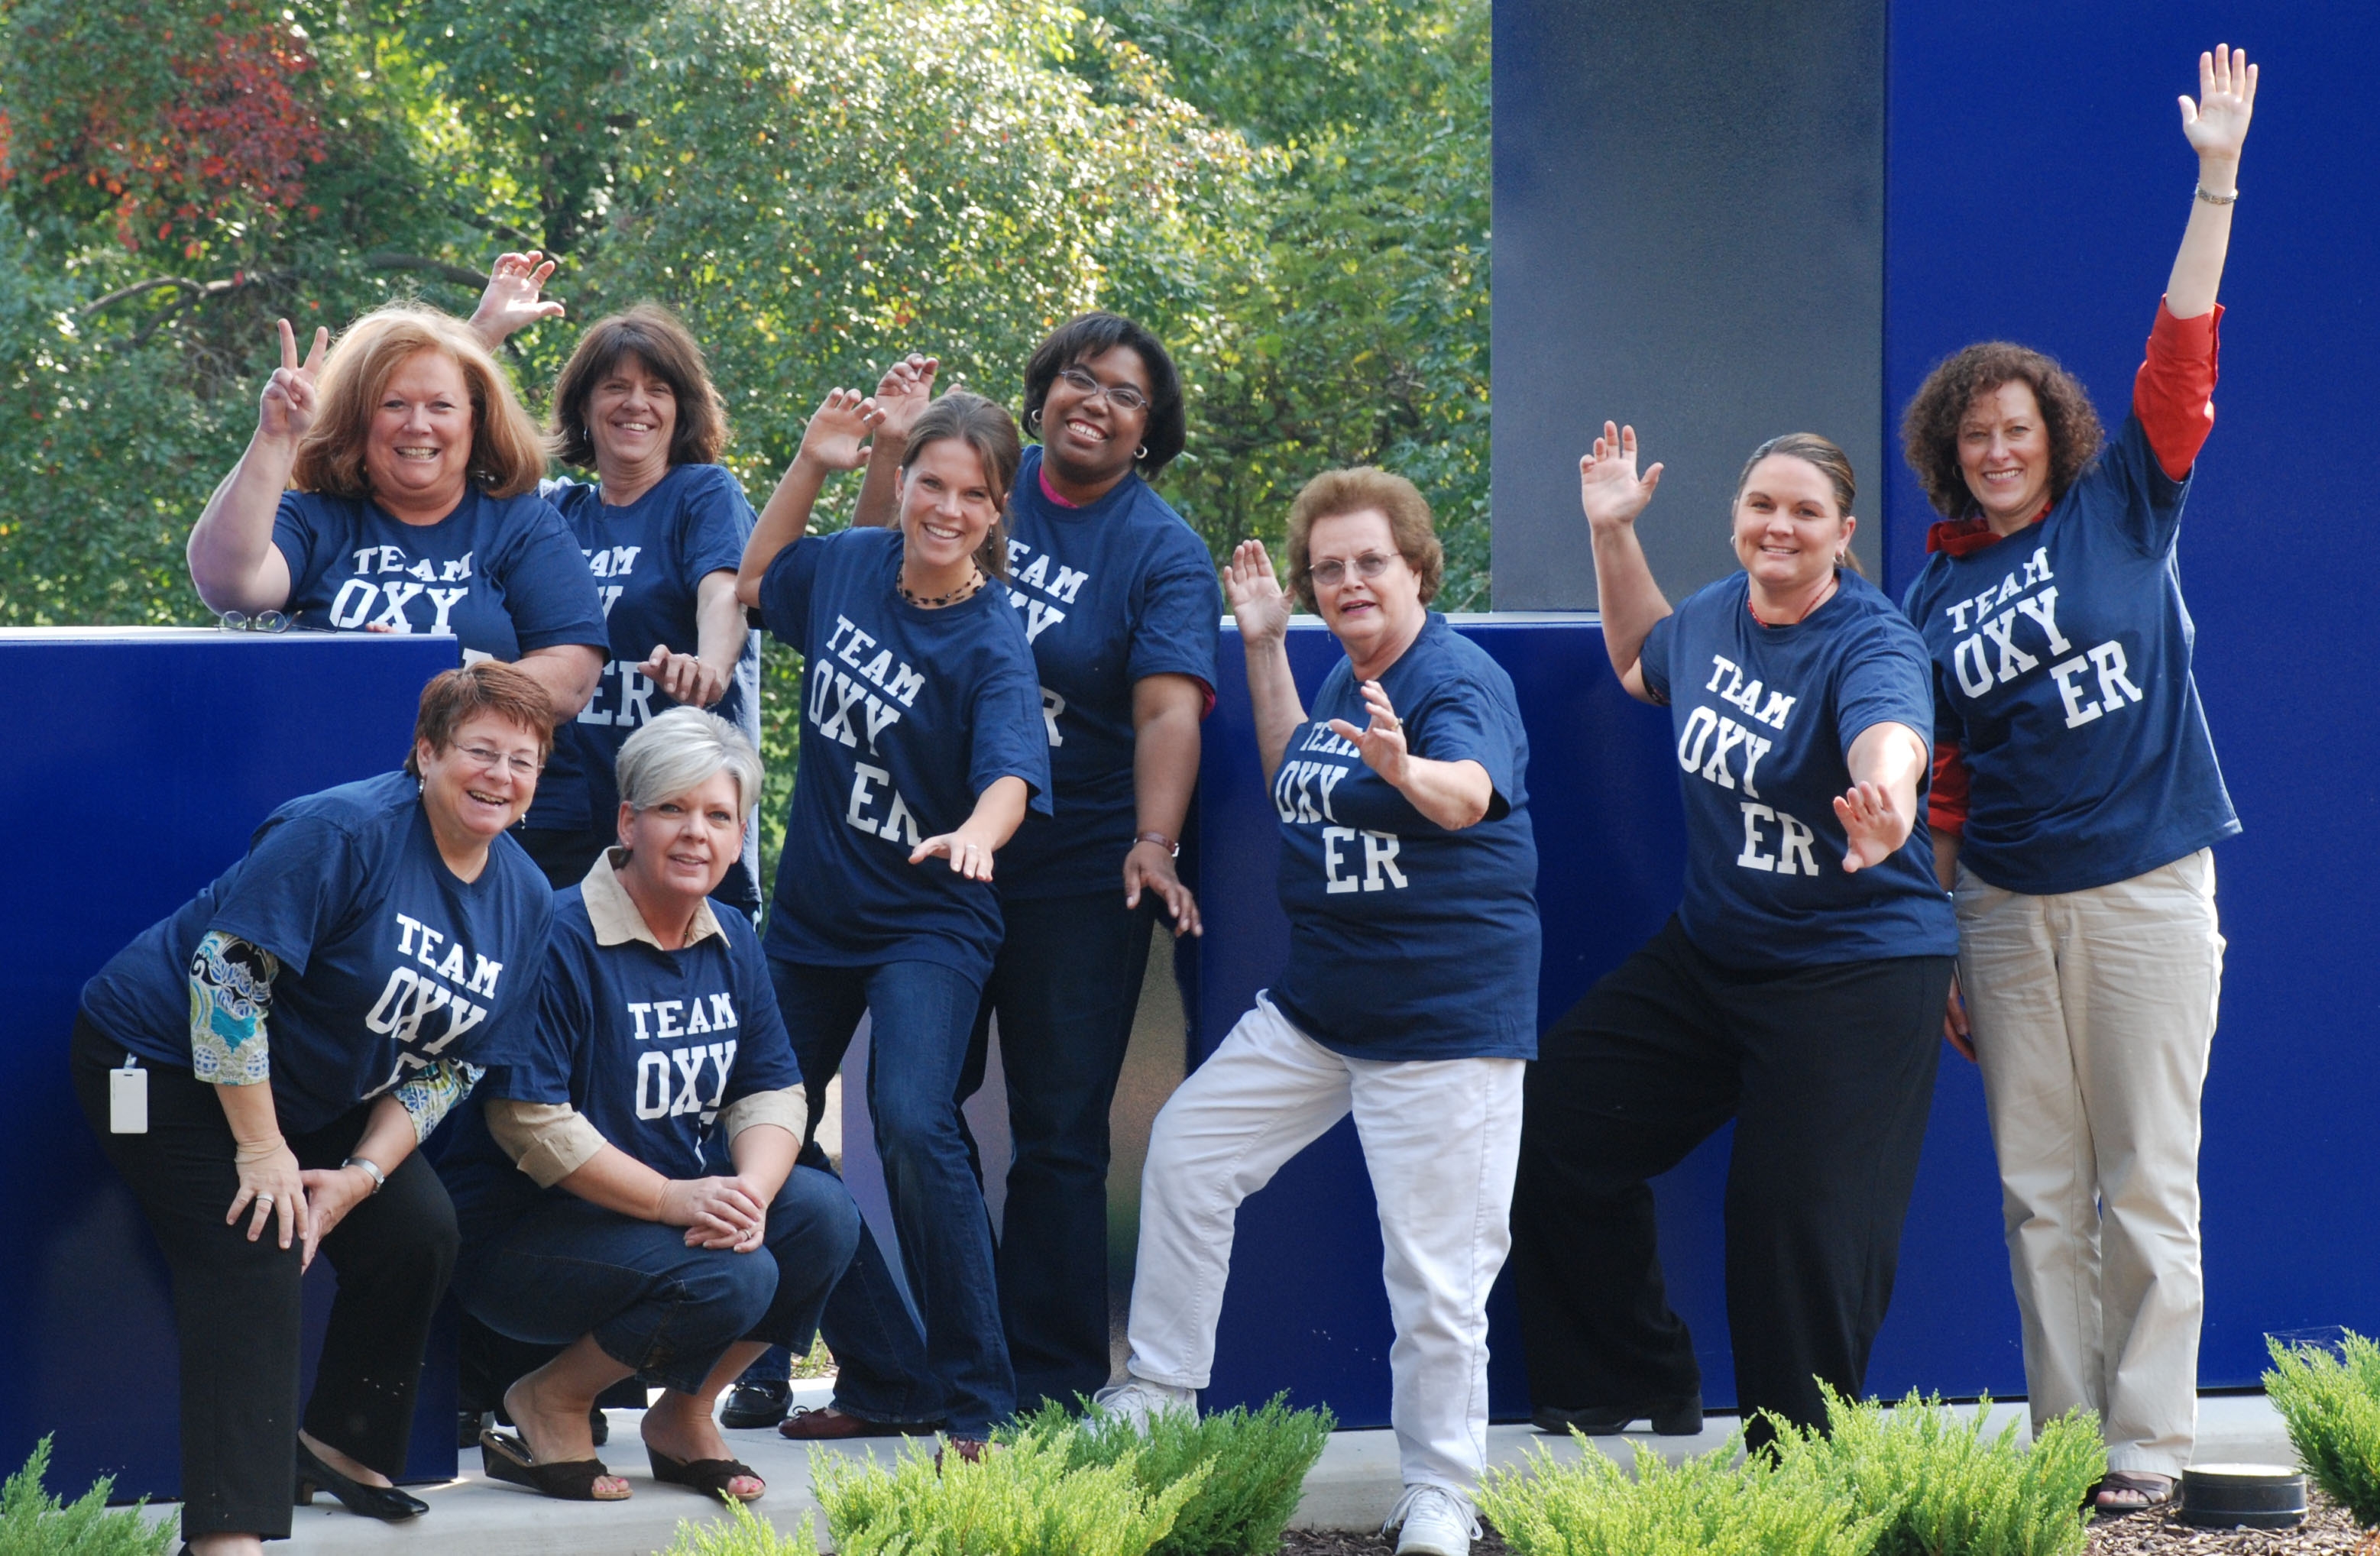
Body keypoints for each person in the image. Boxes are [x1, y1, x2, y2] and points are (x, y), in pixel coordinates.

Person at [1896, 46, 2255, 1514]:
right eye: (1973, 432)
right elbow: (1942, 789)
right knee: (2040, 1190)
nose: (1996, 446)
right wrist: (1946, 940)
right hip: (2003, 911)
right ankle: (2065, 1443)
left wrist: (2216, 173)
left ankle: (2150, 1444)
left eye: (2017, 426)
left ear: (2055, 435)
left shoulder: (2128, 507)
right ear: (1949, 449)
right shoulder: (1923, 603)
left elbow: (2184, 343)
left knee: (2146, 1183)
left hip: (2148, 886)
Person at [779, 317, 1216, 1427]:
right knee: (914, 1122)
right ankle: (905, 1370)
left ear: (1147, 429)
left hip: (1069, 873)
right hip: (924, 877)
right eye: (1078, 376)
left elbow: (1167, 707)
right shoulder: (974, 487)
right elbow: (854, 583)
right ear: (1039, 395)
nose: (1096, 400)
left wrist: (1153, 841)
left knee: (1056, 1133)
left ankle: (1039, 1386)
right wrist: (867, 453)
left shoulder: (1157, 548)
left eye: (1125, 393)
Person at [1096, 468, 1538, 1556]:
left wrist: (1406, 766)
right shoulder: (1343, 680)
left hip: (1442, 1026)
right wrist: (1260, 646)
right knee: (1191, 1151)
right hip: (1319, 1010)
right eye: (1327, 568)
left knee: (1435, 1282)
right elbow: (1299, 769)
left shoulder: (1449, 678)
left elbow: (1467, 792)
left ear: (1417, 566)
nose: (1346, 581)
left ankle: (1439, 1493)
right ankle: (1157, 1396)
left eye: (1368, 562)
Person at [1508, 427, 1957, 1454]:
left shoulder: (1869, 639)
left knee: (1787, 1231)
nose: (1778, 526)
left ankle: (1794, 1487)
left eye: (1804, 511)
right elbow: (1635, 660)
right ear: (1734, 517)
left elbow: (1889, 726)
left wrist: (1886, 797)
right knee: (1549, 1126)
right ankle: (1637, 1379)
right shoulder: (1712, 616)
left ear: (1843, 534)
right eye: (1761, 504)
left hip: (1854, 971)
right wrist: (1610, 532)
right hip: (1715, 955)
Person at [70, 662, 559, 1556]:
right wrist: (263, 1154)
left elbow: (452, 1068)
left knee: (419, 1230)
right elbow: (223, 980)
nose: (501, 776)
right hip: (160, 1058)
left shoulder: (525, 898)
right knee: (256, 1236)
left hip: (309, 1086)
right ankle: (226, 1536)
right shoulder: (346, 829)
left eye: (523, 761)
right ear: (425, 753)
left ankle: (336, 1445)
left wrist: (364, 1177)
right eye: (480, 751)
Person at [734, 387, 1052, 1452]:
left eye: (971, 494)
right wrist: (815, 462)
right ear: (905, 480)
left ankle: (976, 1399)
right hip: (815, 918)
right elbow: (752, 581)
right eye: (929, 483)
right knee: (750, 1119)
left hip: (931, 921)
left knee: (914, 1122)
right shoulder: (852, 567)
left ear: (998, 509)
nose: (945, 508)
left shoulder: (990, 642)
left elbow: (1011, 775)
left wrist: (977, 828)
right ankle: (886, 1372)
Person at [437, 708, 861, 1503]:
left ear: (739, 837)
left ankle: (685, 1415)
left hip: (655, 1224)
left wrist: (750, 1198)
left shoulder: (731, 934)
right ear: (628, 821)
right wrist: (676, 1199)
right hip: (523, 1238)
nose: (695, 832)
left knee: (822, 1217)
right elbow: (527, 1122)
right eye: (671, 808)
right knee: (730, 1279)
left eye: (718, 815)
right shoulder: (556, 933)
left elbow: (769, 1088)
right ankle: (551, 1396)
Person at [468, 257, 766, 911]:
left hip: (677, 818)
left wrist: (710, 667)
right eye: (615, 387)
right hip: (565, 819)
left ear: (681, 408)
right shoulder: (553, 512)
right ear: (583, 406)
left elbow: (725, 591)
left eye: (658, 389)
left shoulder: (703, 494)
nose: (636, 403)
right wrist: (480, 336)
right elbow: (437, 449)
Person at [185, 304, 608, 737]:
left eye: (441, 406)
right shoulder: (317, 518)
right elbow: (229, 585)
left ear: (474, 421)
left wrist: (431, 687)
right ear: (361, 418)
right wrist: (276, 437)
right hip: (340, 783)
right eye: (395, 404)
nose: (418, 425)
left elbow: (570, 677)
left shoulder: (524, 526)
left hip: (494, 787)